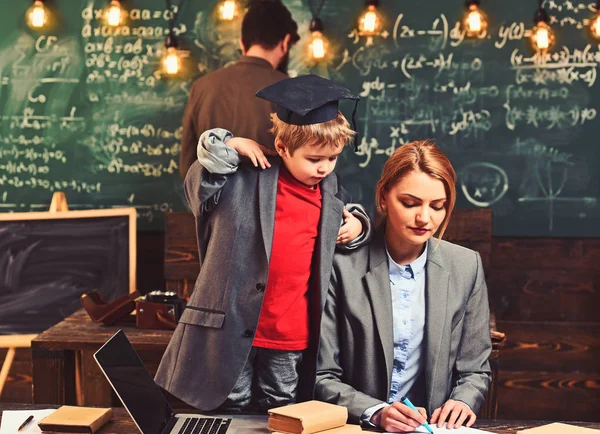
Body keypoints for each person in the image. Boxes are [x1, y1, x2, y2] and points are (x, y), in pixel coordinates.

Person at [156, 75, 372, 412]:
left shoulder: (330, 190)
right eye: (314, 159)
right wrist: (229, 145)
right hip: (231, 325)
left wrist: (358, 223)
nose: (324, 168)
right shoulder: (244, 176)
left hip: (290, 331)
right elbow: (198, 185)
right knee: (232, 404)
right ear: (283, 148)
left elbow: (351, 219)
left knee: (282, 407)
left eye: (332, 159)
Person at [315, 141, 492, 432]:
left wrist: (463, 401)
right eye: (410, 203)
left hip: (433, 428)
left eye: (438, 206)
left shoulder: (466, 265)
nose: (425, 218)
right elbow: (321, 375)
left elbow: (474, 370)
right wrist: (375, 412)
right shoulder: (340, 267)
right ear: (383, 197)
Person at [179, 1, 300, 179]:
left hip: (214, 203)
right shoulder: (292, 90)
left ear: (243, 43)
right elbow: (304, 164)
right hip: (273, 204)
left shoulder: (202, 86)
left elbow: (188, 166)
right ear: (285, 42)